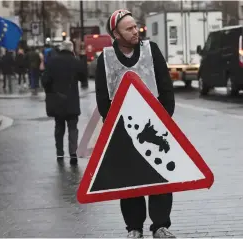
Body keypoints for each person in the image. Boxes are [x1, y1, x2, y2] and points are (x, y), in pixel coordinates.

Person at [95, 10, 175, 238]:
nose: (135, 31)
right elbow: (102, 97)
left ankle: (160, 225)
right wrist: (112, 126)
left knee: (159, 176)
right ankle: (134, 227)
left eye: (135, 26)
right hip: (124, 131)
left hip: (155, 127)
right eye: (128, 29)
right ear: (115, 34)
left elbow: (165, 85)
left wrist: (166, 118)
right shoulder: (106, 59)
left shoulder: (152, 51)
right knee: (130, 181)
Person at [42, 40, 87, 165]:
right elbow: (84, 77)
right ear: (71, 49)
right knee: (73, 128)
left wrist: (50, 91)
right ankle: (73, 152)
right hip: (72, 100)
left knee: (59, 127)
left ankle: (60, 152)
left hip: (58, 100)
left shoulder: (52, 62)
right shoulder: (75, 62)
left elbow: (45, 80)